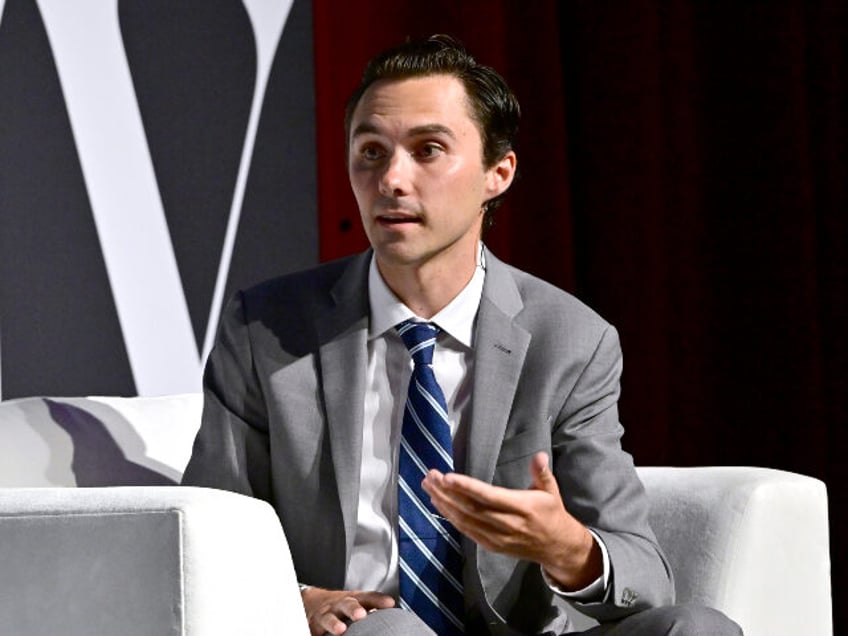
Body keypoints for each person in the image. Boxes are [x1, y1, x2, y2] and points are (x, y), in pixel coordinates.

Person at [183, 35, 741, 635]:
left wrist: (568, 547)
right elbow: (211, 529)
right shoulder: (266, 328)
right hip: (360, 631)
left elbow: (645, 574)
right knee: (391, 630)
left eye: (427, 150)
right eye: (371, 152)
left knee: (697, 629)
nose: (392, 179)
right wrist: (300, 597)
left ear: (497, 173)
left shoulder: (570, 340)